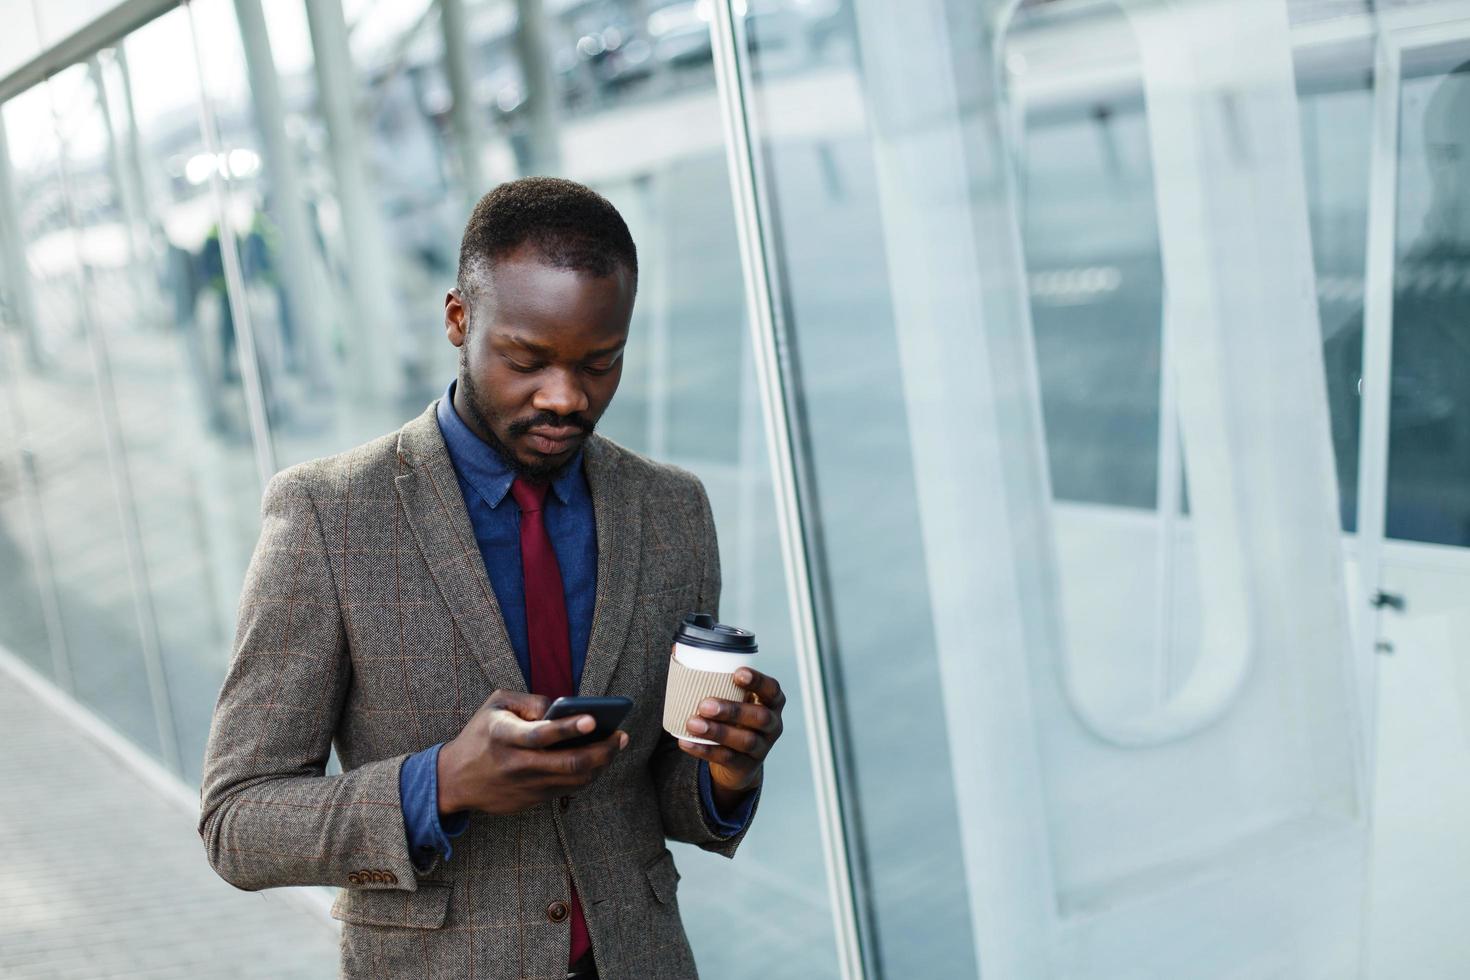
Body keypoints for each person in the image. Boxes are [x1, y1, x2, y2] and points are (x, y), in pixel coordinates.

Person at [198, 177, 787, 980]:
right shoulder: (328, 517)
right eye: (526, 359)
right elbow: (237, 821)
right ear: (457, 319)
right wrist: (439, 783)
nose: (565, 397)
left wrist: (727, 766)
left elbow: (666, 792)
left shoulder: (672, 510)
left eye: (600, 364)